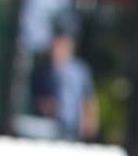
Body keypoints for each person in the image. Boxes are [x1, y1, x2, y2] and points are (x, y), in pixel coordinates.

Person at [30, 13, 98, 141]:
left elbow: (88, 97)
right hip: (51, 126)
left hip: (73, 125)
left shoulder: (80, 70)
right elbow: (39, 98)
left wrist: (89, 120)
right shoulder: (44, 71)